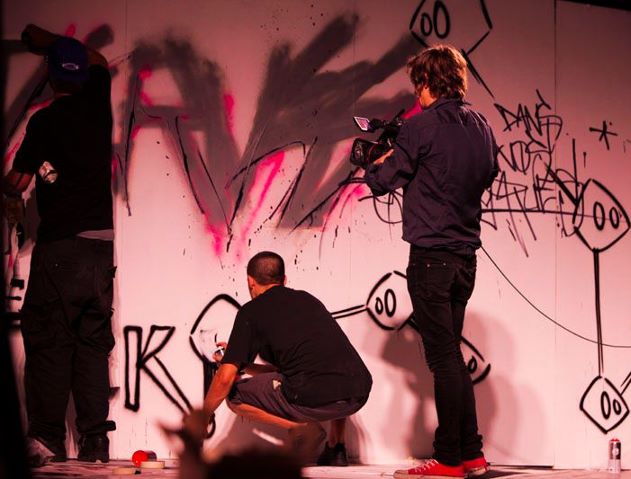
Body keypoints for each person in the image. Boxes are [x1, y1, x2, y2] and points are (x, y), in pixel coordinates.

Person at [364, 44, 499, 479]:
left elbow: (383, 181)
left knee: (443, 360)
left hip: (430, 259)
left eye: (416, 85)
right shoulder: (481, 126)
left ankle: (449, 459)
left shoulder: (419, 128)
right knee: (452, 356)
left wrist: (375, 162)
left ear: (425, 82)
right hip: (465, 260)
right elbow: (487, 173)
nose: (416, 93)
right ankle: (471, 453)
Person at [3, 25, 116, 464]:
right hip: (100, 249)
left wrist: (11, 189)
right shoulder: (98, 105)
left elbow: (17, 182)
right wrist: (52, 40)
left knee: (50, 341)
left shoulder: (46, 121)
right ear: (82, 76)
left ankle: (48, 438)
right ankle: (95, 442)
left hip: (62, 248)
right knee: (92, 345)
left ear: (51, 78)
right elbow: (99, 61)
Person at [196, 251, 372, 466]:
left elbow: (224, 379)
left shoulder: (251, 311)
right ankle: (336, 447)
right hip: (358, 391)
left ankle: (302, 430)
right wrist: (241, 362)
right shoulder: (308, 300)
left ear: (250, 281)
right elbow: (288, 370)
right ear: (284, 280)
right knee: (330, 366)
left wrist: (204, 415)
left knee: (233, 394)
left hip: (312, 395)